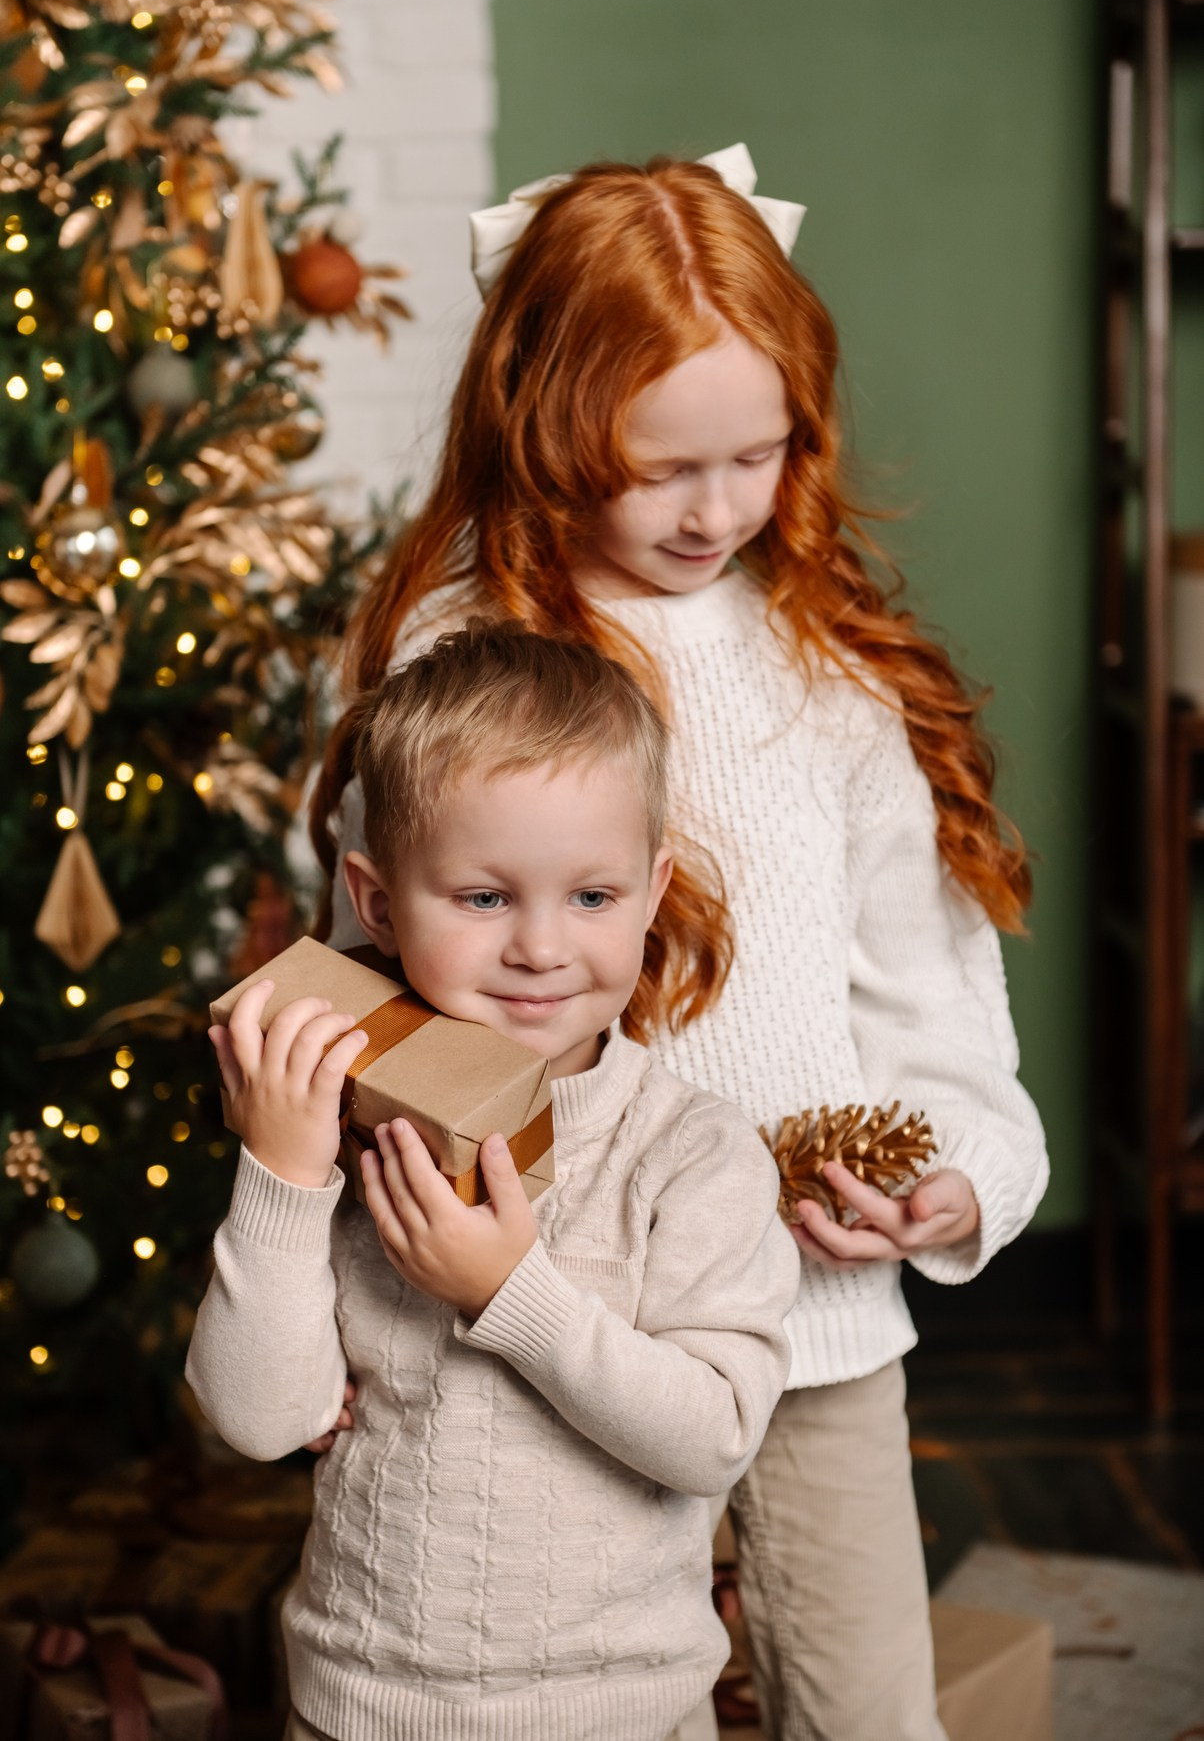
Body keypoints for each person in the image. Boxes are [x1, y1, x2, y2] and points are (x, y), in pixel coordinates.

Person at [307, 145, 1050, 1741]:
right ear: (545, 426)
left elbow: (929, 1007)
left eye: (759, 457)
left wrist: (952, 1178)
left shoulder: (829, 672)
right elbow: (361, 1003)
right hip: (517, 1315)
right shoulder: (460, 651)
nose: (717, 513)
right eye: (660, 471)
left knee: (866, 1711)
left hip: (810, 1328)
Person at [186, 621, 800, 1741]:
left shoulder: (693, 1154)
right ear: (375, 904)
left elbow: (711, 1432)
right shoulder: (346, 1120)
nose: (539, 946)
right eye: (482, 898)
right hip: (362, 1702)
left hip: (617, 1711)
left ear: (654, 888)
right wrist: (281, 1169)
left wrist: (507, 1292)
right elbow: (258, 1417)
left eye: (593, 897)